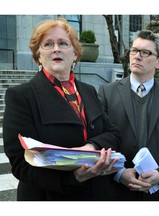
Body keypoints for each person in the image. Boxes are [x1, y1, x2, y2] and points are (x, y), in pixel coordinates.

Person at [3, 18, 121, 201]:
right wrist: (72, 177)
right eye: (48, 44)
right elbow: (20, 164)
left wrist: (92, 147)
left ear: (75, 54)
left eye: (63, 43)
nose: (56, 48)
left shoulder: (88, 91)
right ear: (38, 56)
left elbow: (113, 133)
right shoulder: (21, 96)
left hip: (96, 194)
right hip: (50, 197)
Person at [98, 30, 159, 201]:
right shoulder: (107, 92)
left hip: (158, 191)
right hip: (115, 190)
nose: (137, 56)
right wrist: (119, 172)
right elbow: (99, 138)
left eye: (145, 52)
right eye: (134, 50)